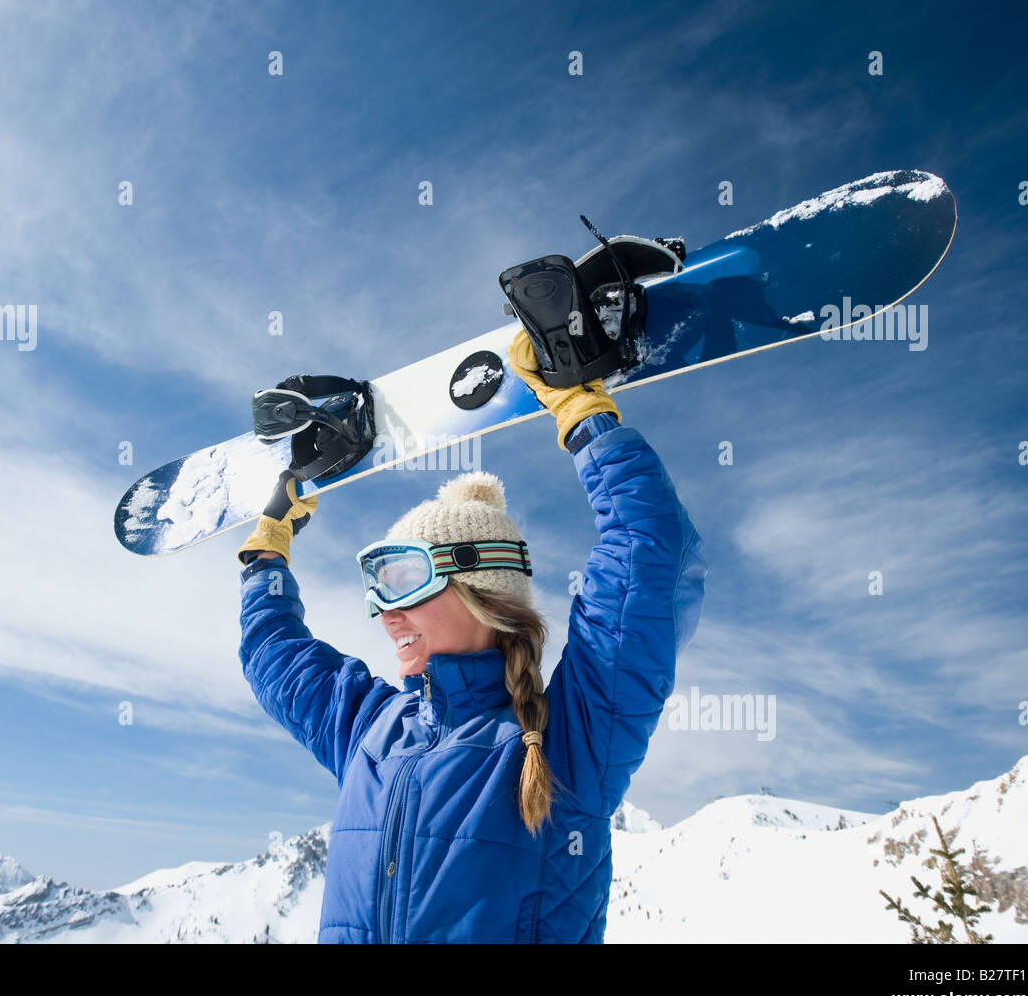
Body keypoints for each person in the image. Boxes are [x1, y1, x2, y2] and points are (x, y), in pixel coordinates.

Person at [236, 331, 707, 943]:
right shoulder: (370, 732)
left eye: (402, 579)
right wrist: (264, 559)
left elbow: (649, 562)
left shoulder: (572, 742)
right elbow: (278, 660)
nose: (385, 613)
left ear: (486, 594)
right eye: (375, 588)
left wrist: (585, 418)